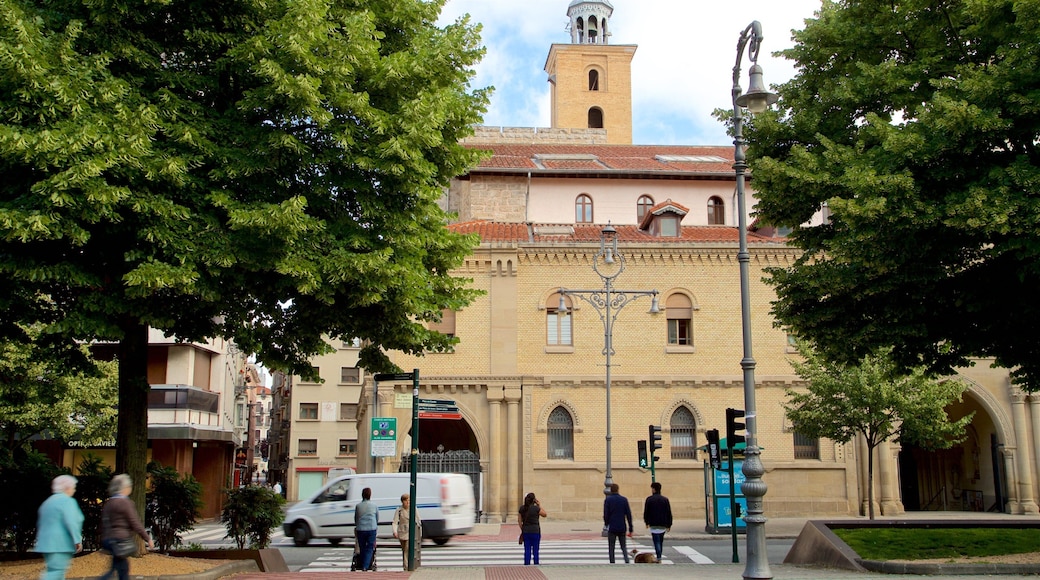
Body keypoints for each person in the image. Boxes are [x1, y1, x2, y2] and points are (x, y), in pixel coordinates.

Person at [98, 474, 153, 580]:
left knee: (118, 567)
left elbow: (102, 523)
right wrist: (147, 538)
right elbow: (135, 523)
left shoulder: (109, 503)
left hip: (109, 540)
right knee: (122, 570)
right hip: (120, 540)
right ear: (125, 488)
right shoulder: (126, 503)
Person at [34, 475, 84, 580]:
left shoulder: (47, 502)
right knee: (57, 571)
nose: (74, 490)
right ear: (67, 488)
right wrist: (77, 540)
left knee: (55, 571)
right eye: (73, 487)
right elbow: (71, 522)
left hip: (46, 543)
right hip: (61, 543)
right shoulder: (68, 501)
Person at [642, 481, 673, 561]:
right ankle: (659, 555)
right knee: (660, 541)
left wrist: (646, 522)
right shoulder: (665, 500)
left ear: (654, 489)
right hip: (663, 524)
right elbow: (668, 512)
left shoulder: (649, 499)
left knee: (656, 541)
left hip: (653, 523)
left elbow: (646, 512)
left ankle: (659, 556)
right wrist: (669, 524)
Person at [603, 483, 633, 564]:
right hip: (622, 526)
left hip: (612, 526)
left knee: (611, 546)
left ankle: (612, 562)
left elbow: (606, 513)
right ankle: (626, 560)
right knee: (623, 546)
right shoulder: (624, 500)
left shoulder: (608, 500)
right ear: (618, 490)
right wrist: (630, 527)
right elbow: (628, 514)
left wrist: (606, 523)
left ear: (611, 490)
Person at [392, 493, 422, 569]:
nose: (407, 502)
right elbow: (395, 521)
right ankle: (406, 565)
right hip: (402, 532)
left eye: (409, 500)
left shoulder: (413, 509)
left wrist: (419, 530)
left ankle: (406, 567)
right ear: (402, 501)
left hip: (410, 532)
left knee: (407, 549)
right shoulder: (399, 510)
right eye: (406, 500)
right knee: (404, 549)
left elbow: (418, 519)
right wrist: (395, 531)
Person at [517, 492, 547, 565]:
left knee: (527, 549)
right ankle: (536, 564)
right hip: (535, 531)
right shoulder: (536, 508)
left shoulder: (522, 508)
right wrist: (539, 505)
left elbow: (519, 521)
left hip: (526, 531)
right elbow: (544, 514)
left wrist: (522, 528)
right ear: (534, 500)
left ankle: (527, 564)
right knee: (535, 550)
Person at [354, 487, 378, 571]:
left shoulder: (358, 506)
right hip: (371, 528)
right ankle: (366, 566)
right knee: (370, 547)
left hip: (361, 529)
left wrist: (357, 525)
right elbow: (377, 517)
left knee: (362, 547)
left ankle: (363, 564)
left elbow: (356, 518)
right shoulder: (374, 506)